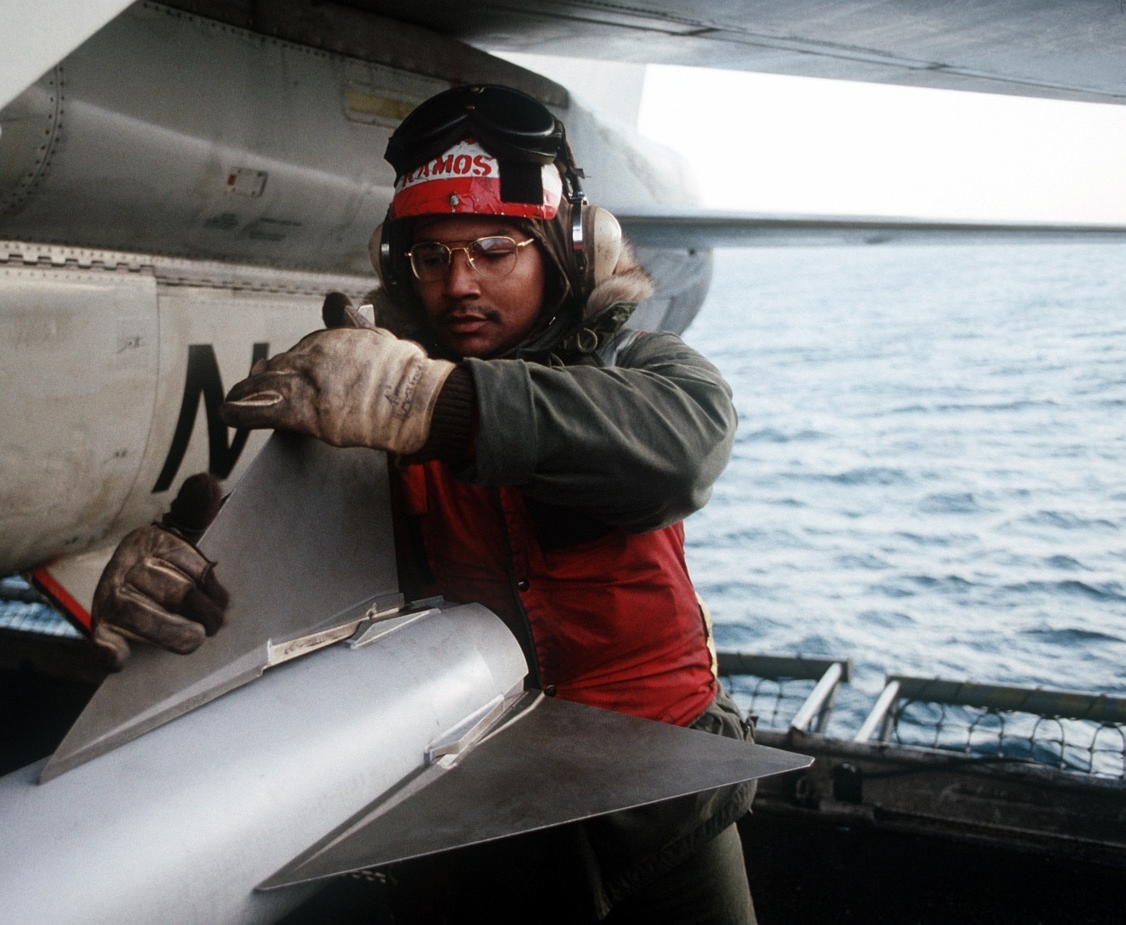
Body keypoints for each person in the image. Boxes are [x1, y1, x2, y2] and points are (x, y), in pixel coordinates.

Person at [94, 84, 752, 923]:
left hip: (666, 796)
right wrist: (184, 571)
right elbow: (295, 596)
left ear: (561, 250)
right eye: (431, 258)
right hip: (476, 805)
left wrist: (426, 404)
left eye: (493, 248)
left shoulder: (638, 366)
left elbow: (682, 449)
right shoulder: (358, 406)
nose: (459, 284)